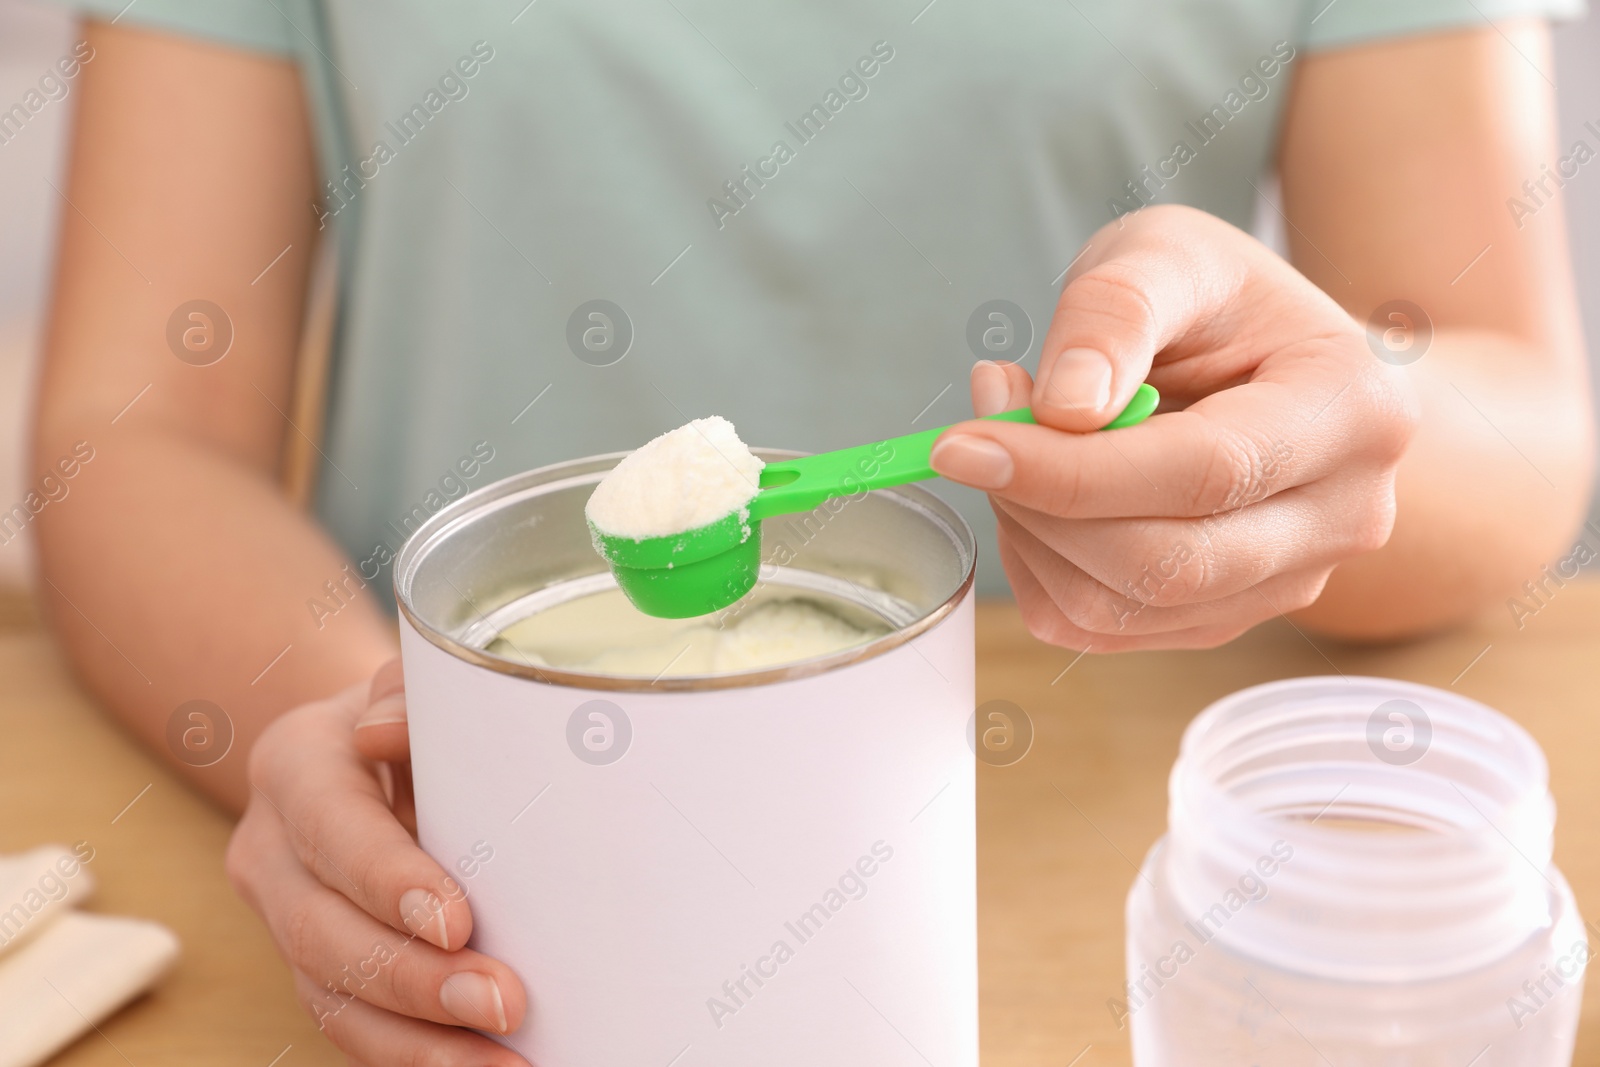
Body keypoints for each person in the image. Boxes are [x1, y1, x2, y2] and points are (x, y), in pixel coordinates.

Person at [29, 1, 1591, 1062]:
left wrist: (1303, 444)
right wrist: (341, 738)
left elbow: (1514, 409)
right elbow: (131, 440)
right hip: (496, 846)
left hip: (1024, 858)